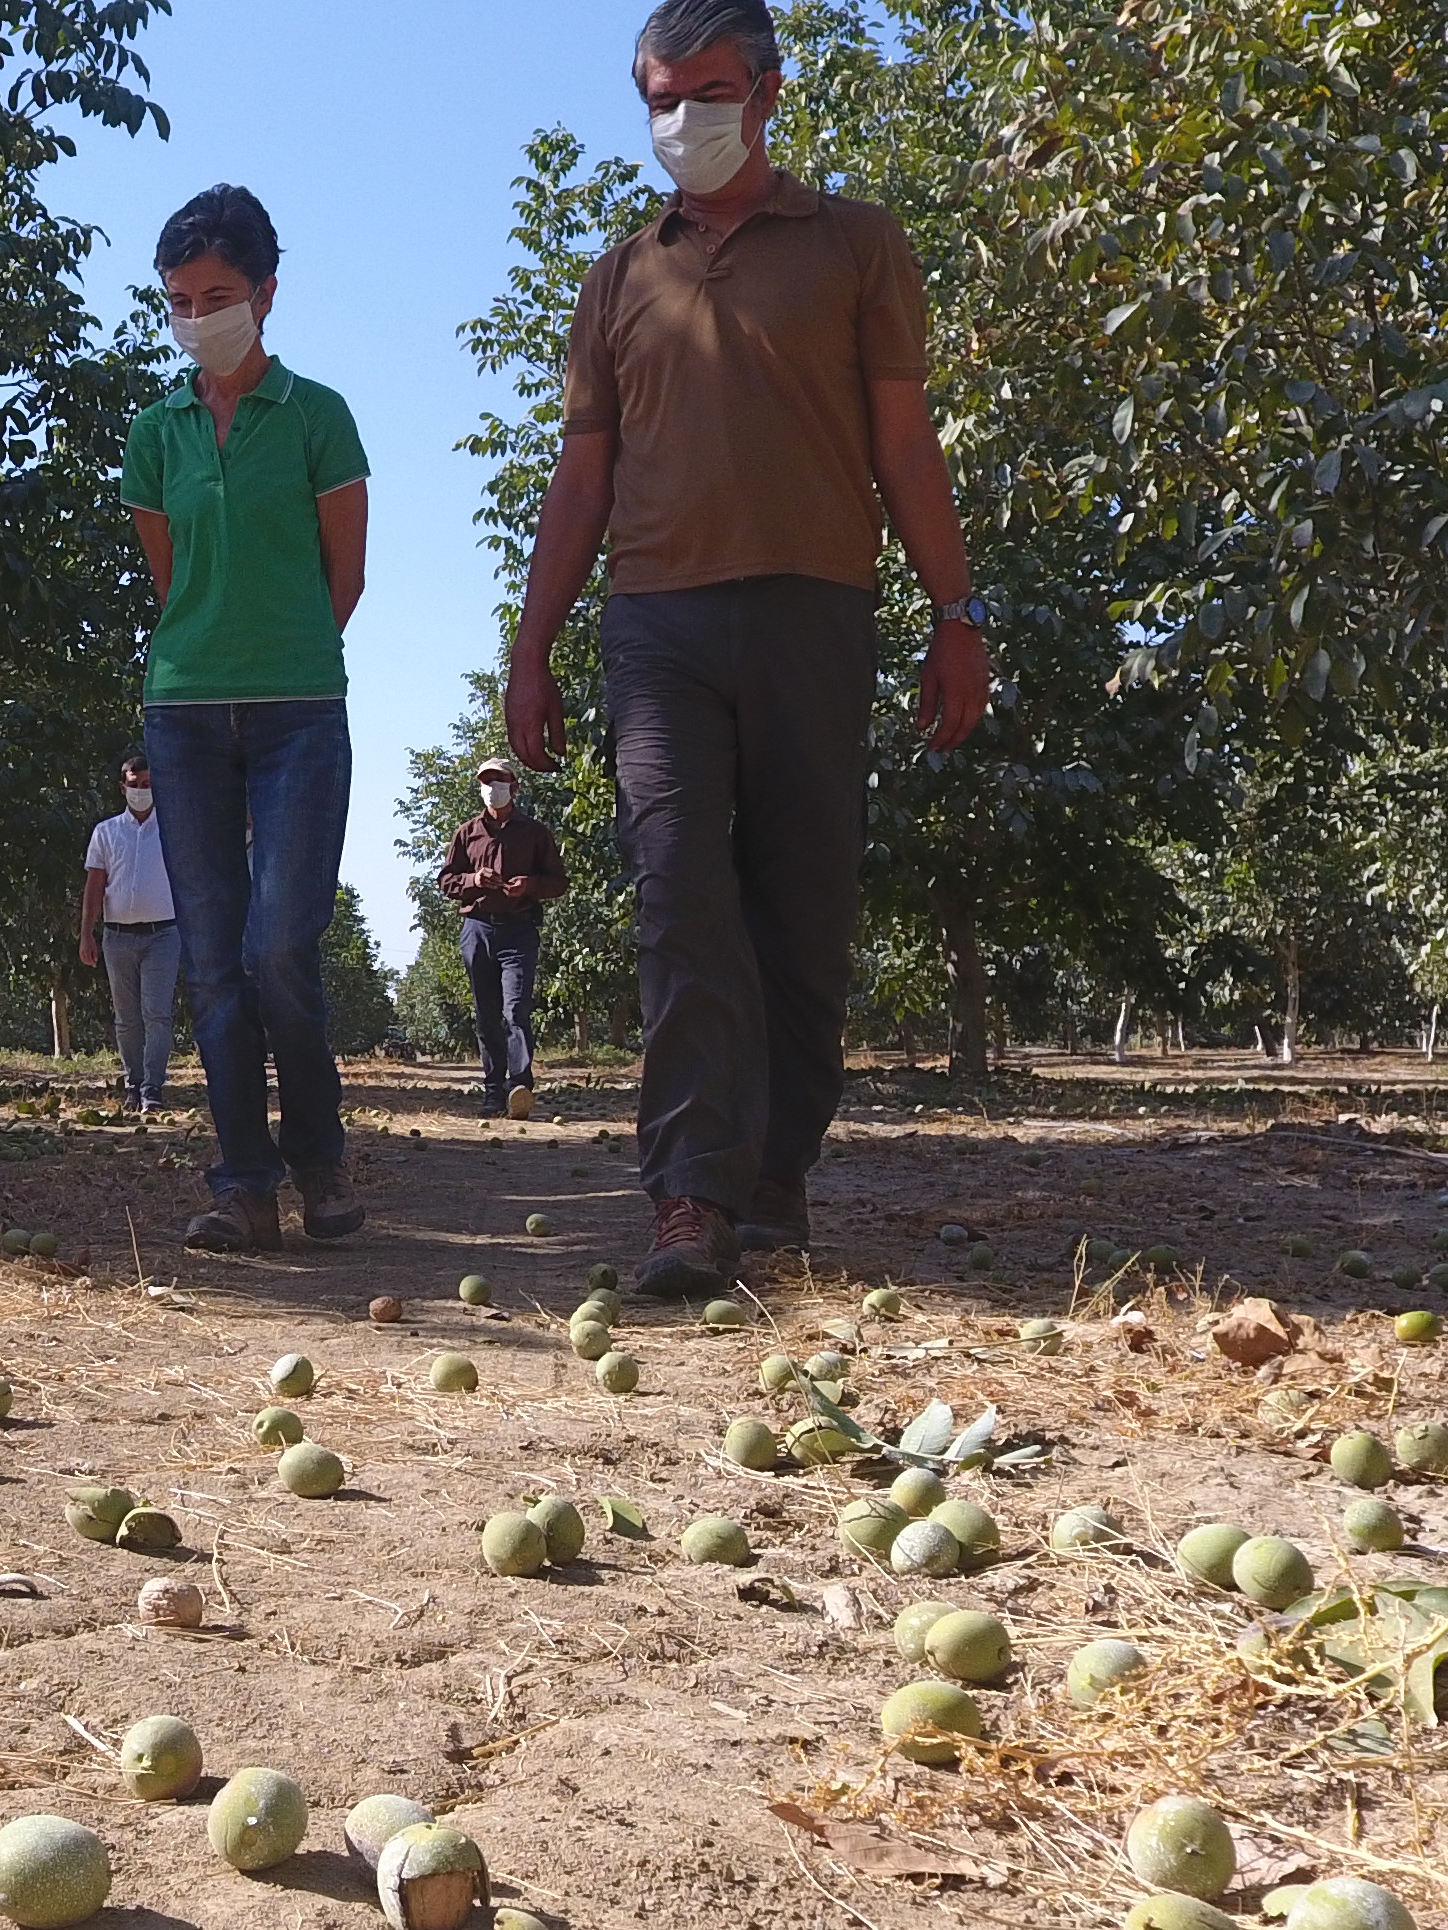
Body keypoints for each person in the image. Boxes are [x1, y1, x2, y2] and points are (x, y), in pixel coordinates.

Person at [502, 0, 991, 1296]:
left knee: (801, 901)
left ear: (768, 92)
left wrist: (955, 613)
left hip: (814, 608)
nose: (681, 120)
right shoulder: (619, 276)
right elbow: (582, 475)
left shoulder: (857, 244)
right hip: (656, 623)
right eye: (660, 98)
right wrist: (532, 645)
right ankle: (688, 1194)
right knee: (676, 891)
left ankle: (775, 1173)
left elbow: (903, 444)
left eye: (707, 93)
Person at [124, 184, 371, 1254]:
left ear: (266, 293)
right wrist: (213, 653)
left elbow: (343, 577)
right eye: (178, 300)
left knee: (280, 947)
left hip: (299, 712)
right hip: (183, 714)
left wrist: (281, 654)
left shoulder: (318, 416)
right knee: (214, 961)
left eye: (216, 296)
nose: (196, 317)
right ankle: (243, 1187)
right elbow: (169, 577)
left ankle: (319, 1161)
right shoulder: (155, 430)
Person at [436, 754, 569, 1117]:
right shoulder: (467, 833)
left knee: (515, 1010)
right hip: (478, 928)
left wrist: (530, 885)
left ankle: (520, 1087)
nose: (491, 788)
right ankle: (493, 1091)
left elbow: (558, 882)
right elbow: (446, 880)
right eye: (485, 781)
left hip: (519, 930)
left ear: (514, 787)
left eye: (498, 780)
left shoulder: (535, 833)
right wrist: (474, 879)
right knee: (487, 1013)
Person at [78, 756, 179, 1117]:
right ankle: (133, 1083)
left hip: (163, 934)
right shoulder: (105, 832)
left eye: (147, 785)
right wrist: (86, 934)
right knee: (126, 1017)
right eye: (134, 785)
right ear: (123, 787)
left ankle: (153, 1087)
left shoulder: (172, 829)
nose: (140, 791)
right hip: (117, 936)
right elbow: (95, 886)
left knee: (157, 1013)